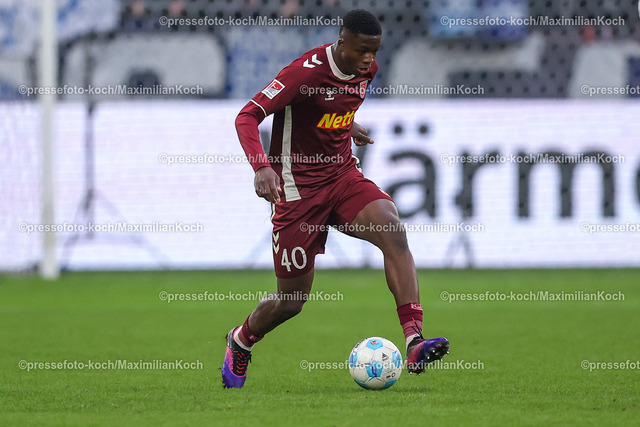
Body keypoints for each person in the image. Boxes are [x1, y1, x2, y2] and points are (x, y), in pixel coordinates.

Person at [223, 9, 449, 389]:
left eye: (374, 51)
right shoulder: (304, 74)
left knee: (392, 230)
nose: (368, 59)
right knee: (291, 302)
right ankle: (242, 339)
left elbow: (332, 107)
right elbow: (247, 116)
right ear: (342, 42)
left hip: (342, 176)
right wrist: (261, 167)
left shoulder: (367, 69)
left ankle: (414, 340)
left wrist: (347, 124)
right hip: (297, 191)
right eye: (362, 50)